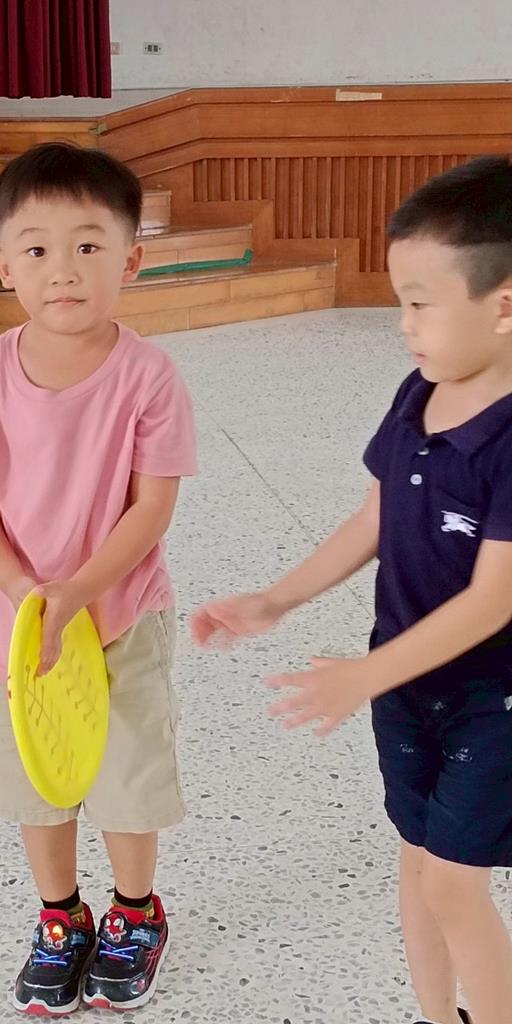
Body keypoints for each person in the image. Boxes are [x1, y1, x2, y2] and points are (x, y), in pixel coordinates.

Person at [192, 156, 512, 1024]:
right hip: (404, 685)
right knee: (417, 861)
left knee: (453, 883)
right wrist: (278, 598)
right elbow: (379, 513)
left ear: (503, 306)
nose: (402, 324)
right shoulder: (420, 392)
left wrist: (364, 677)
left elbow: (493, 601)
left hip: (493, 701)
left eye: (419, 303)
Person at [0, 141, 197, 1016]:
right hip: (12, 631)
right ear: (4, 266)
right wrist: (21, 593)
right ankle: (60, 917)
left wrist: (73, 595)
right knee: (35, 780)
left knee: (126, 775)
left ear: (132, 260)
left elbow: (151, 508)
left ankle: (134, 913)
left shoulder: (148, 377)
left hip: (119, 618)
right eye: (37, 249)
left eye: (88, 245)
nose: (64, 269)